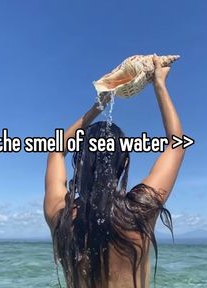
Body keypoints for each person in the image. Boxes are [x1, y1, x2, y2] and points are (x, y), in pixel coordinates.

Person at [44, 55, 185, 288]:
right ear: (125, 164)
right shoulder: (138, 211)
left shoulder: (63, 217)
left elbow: (56, 152)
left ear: (79, 161)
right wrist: (159, 84)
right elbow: (177, 145)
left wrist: (98, 106)